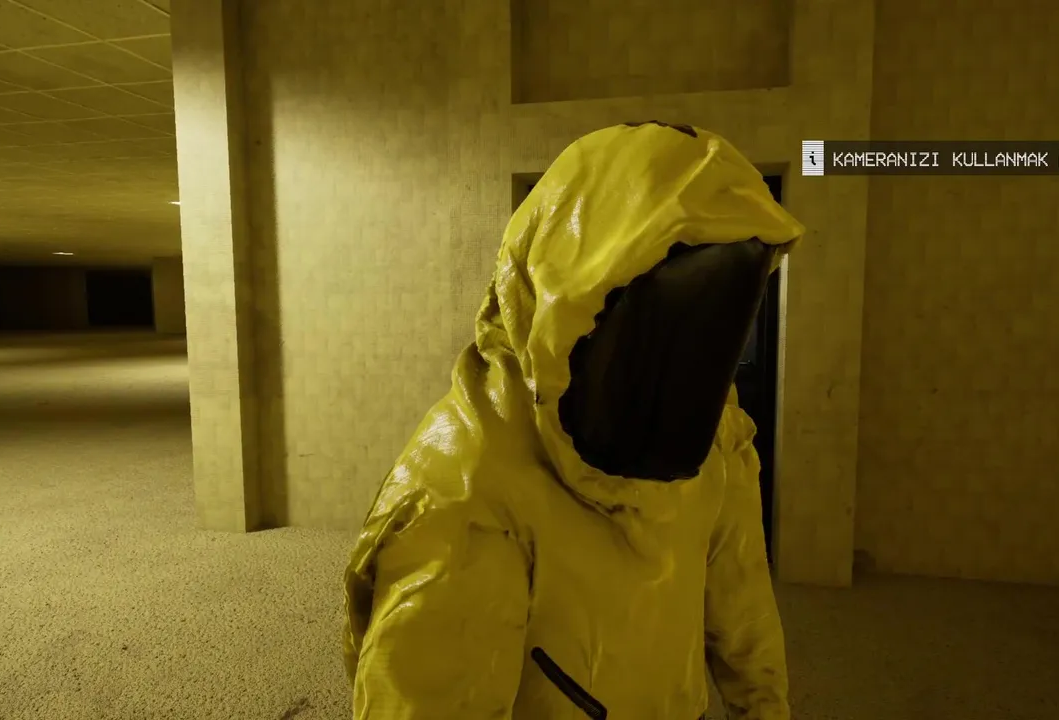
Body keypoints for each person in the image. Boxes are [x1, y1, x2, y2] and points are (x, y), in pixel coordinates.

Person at [342, 121, 805, 719]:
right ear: (561, 309)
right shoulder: (465, 498)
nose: (681, 367)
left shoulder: (718, 441)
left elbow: (744, 615)